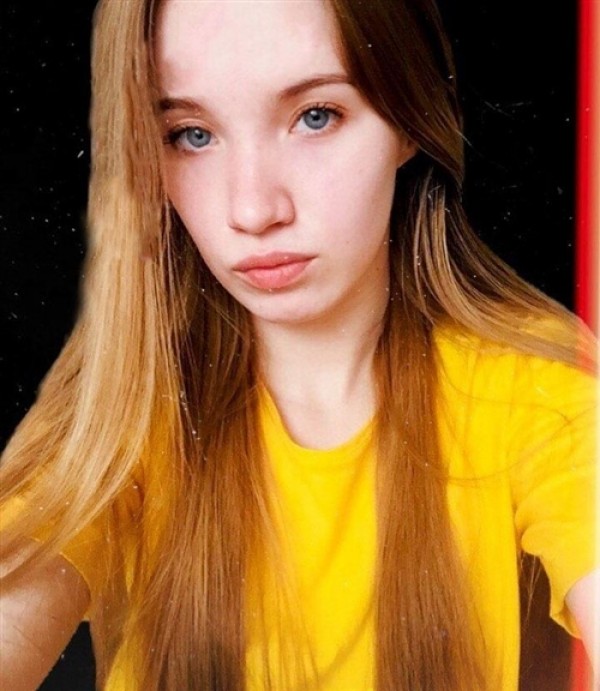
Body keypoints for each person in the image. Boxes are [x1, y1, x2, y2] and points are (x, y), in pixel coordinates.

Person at [0, 1, 597, 689]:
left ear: (409, 118)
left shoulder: (539, 396)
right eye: (192, 134)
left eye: (316, 116)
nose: (253, 210)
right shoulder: (125, 410)